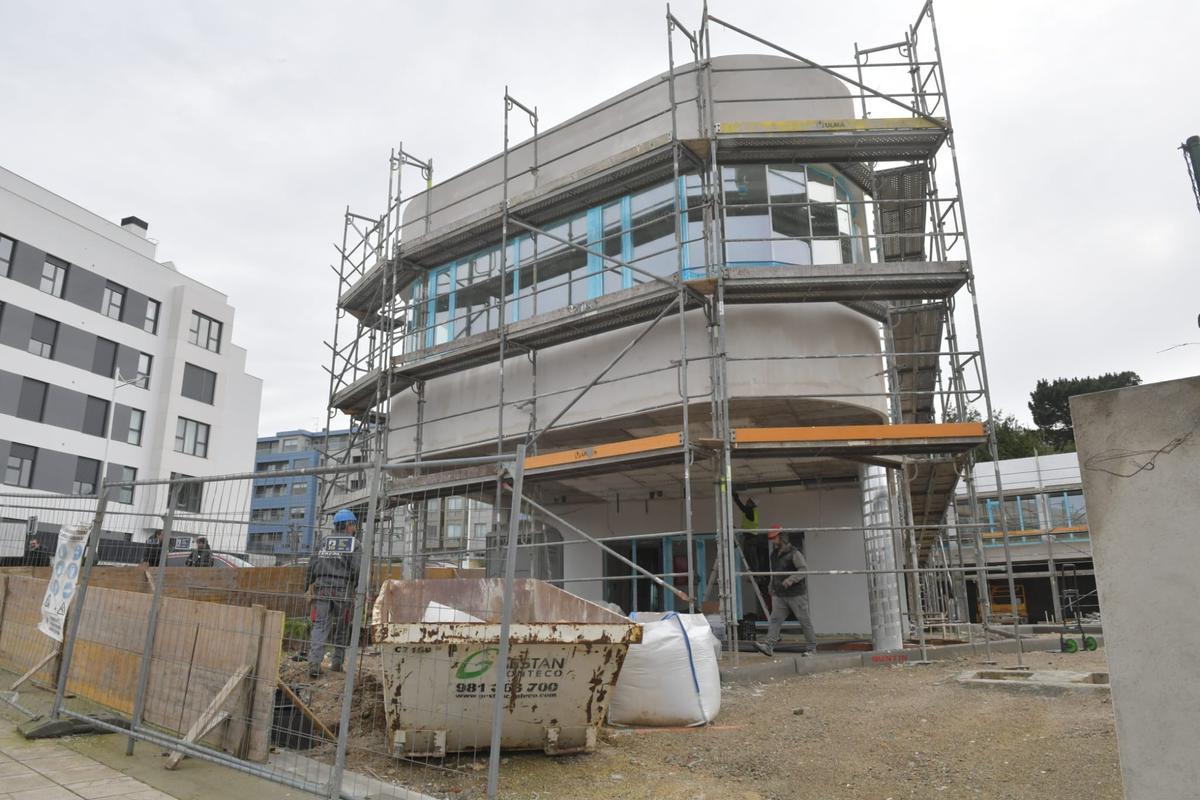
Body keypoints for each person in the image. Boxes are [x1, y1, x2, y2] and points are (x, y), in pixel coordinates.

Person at [305, 509, 362, 678]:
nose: (355, 529)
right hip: (343, 590)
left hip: (322, 588)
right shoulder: (354, 544)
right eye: (354, 525)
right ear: (349, 525)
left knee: (320, 625)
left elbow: (312, 566)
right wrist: (354, 587)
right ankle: (337, 662)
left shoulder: (323, 542)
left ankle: (314, 662)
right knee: (343, 626)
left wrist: (306, 585)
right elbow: (356, 570)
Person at [754, 524, 817, 657]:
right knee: (775, 620)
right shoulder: (774, 555)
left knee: (804, 620)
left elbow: (803, 570)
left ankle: (811, 648)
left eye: (774, 538)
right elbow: (775, 572)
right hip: (780, 594)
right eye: (770, 538)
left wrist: (791, 579)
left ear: (781, 537)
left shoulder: (794, 553)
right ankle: (769, 646)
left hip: (796, 594)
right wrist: (772, 584)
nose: (772, 541)